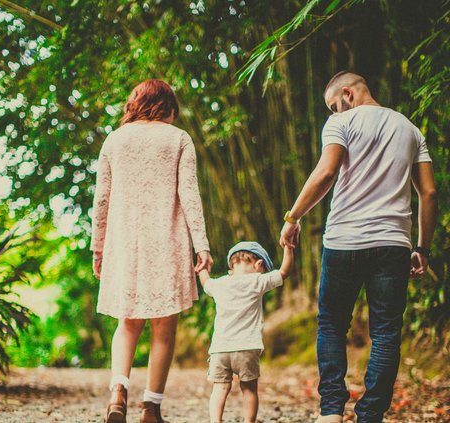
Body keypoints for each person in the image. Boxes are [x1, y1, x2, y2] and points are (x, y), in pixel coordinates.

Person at [280, 71, 437, 423]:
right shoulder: (410, 129)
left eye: (334, 105)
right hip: (394, 244)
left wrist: (293, 218)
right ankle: (370, 415)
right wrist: (422, 249)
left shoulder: (343, 122)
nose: (334, 112)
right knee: (385, 332)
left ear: (347, 93)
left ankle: (331, 412)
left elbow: (326, 172)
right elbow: (428, 192)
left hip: (344, 241)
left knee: (332, 325)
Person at [91, 79, 213, 423]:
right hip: (167, 239)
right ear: (168, 105)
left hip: (124, 241)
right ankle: (151, 407)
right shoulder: (178, 139)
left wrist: (98, 247)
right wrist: (201, 245)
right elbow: (189, 194)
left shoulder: (115, 140)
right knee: (165, 325)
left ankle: (118, 392)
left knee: (127, 323)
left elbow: (101, 199)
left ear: (135, 104)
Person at [198, 241, 294, 423]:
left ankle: (215, 421)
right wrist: (288, 248)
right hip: (247, 347)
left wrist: (202, 265)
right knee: (249, 389)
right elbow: (284, 272)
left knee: (219, 389)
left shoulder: (220, 284)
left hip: (220, 349)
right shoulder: (257, 281)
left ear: (231, 266)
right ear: (258, 265)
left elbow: (205, 282)